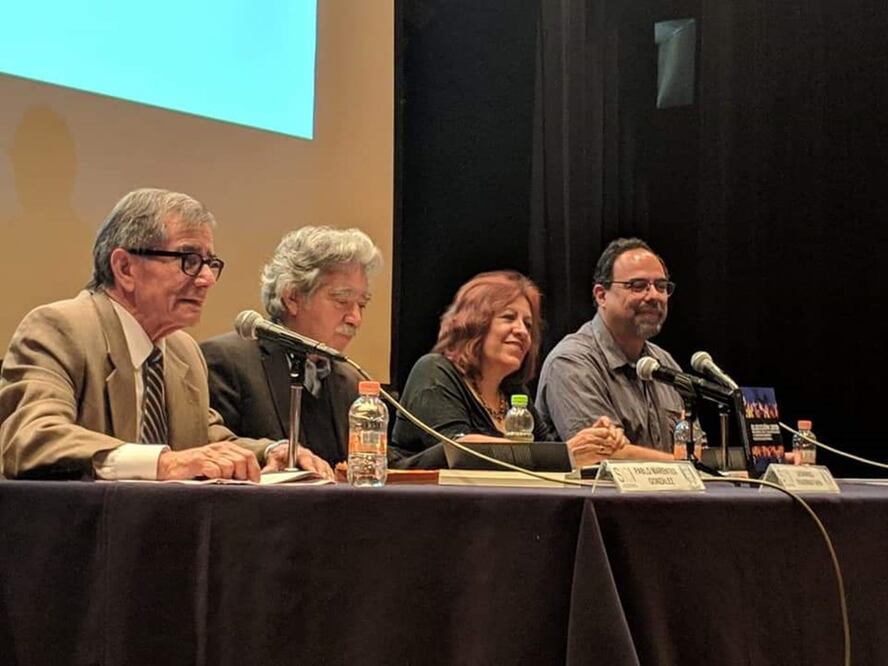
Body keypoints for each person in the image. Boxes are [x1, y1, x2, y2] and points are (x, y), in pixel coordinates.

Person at [0, 188, 331, 481]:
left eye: (210, 263)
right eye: (188, 260)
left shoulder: (181, 349)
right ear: (125, 268)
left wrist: (269, 452)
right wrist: (163, 462)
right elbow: (31, 437)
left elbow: (204, 437)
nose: (206, 279)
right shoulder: (60, 329)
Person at [390, 270, 624, 468]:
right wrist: (566, 453)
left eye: (528, 324)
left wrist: (597, 441)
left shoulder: (514, 393)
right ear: (474, 323)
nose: (522, 331)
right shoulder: (434, 371)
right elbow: (459, 452)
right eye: (509, 317)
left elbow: (547, 458)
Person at [202, 226, 382, 466]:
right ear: (292, 298)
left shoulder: (350, 381)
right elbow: (210, 451)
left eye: (361, 305)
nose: (355, 318)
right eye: (342, 301)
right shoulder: (226, 361)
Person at [536, 237, 690, 465]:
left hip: (669, 498)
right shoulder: (571, 362)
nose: (654, 296)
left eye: (661, 286)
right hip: (597, 499)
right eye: (638, 286)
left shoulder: (664, 363)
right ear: (601, 295)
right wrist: (688, 468)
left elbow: (694, 448)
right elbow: (602, 453)